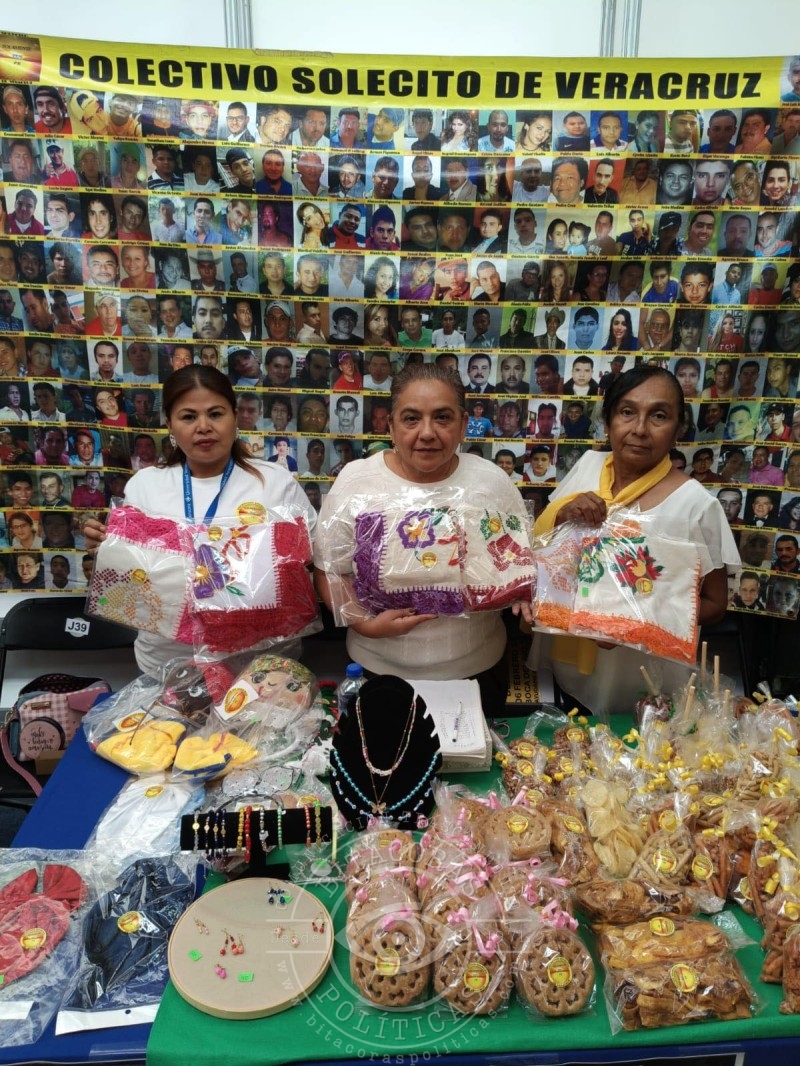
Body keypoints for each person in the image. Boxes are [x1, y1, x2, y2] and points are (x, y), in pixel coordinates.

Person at [314, 363, 531, 713]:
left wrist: (523, 590)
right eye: (411, 418)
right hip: (377, 670)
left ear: (463, 424)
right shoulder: (356, 482)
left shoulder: (492, 483)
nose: (427, 433)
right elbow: (329, 569)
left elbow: (516, 562)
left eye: (442, 418)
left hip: (477, 670)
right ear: (391, 426)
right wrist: (364, 624)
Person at [530, 364, 737, 716]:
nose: (640, 429)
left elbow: (716, 603)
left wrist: (630, 623)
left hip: (642, 682)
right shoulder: (588, 466)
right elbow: (547, 545)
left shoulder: (696, 504)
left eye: (659, 415)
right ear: (608, 421)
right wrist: (563, 513)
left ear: (679, 429)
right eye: (627, 412)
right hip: (568, 664)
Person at [84, 366, 316, 673]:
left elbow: (312, 564)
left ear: (235, 417)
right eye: (188, 417)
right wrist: (106, 554)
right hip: (167, 664)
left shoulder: (274, 482)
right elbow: (132, 585)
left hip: (261, 672)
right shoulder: (145, 485)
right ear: (170, 423)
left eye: (216, 414)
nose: (204, 427)